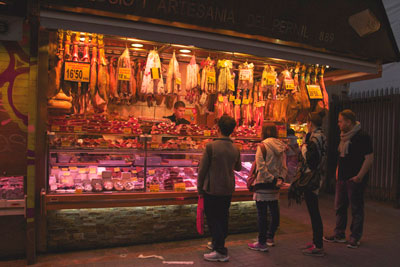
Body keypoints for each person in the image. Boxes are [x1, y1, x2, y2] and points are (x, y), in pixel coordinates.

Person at [324, 109, 373, 249]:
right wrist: (338, 174)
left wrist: (359, 176)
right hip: (342, 178)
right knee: (340, 207)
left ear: (349, 122)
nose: (338, 124)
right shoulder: (343, 137)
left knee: (356, 208)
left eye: (341, 121)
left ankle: (355, 236)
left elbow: (369, 158)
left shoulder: (362, 136)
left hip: (354, 178)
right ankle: (339, 233)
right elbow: (341, 157)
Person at [197, 115, 242, 262]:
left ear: (218, 128)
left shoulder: (211, 146)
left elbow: (202, 170)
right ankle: (218, 243)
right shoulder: (236, 148)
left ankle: (221, 251)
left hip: (212, 188)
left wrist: (199, 189)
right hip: (228, 188)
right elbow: (239, 167)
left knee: (213, 219)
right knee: (223, 217)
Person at [248, 124, 287, 252]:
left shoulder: (263, 146)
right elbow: (284, 167)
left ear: (263, 132)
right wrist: (279, 179)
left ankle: (261, 242)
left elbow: (261, 167)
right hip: (275, 186)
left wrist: (271, 179)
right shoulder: (281, 147)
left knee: (262, 215)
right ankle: (270, 238)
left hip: (263, 184)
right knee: (275, 211)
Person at [298, 111, 327, 257]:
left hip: (312, 177)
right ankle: (316, 241)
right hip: (318, 176)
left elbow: (311, 160)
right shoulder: (321, 135)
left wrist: (303, 147)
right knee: (314, 211)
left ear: (310, 123)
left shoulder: (314, 138)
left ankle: (318, 245)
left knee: (314, 211)